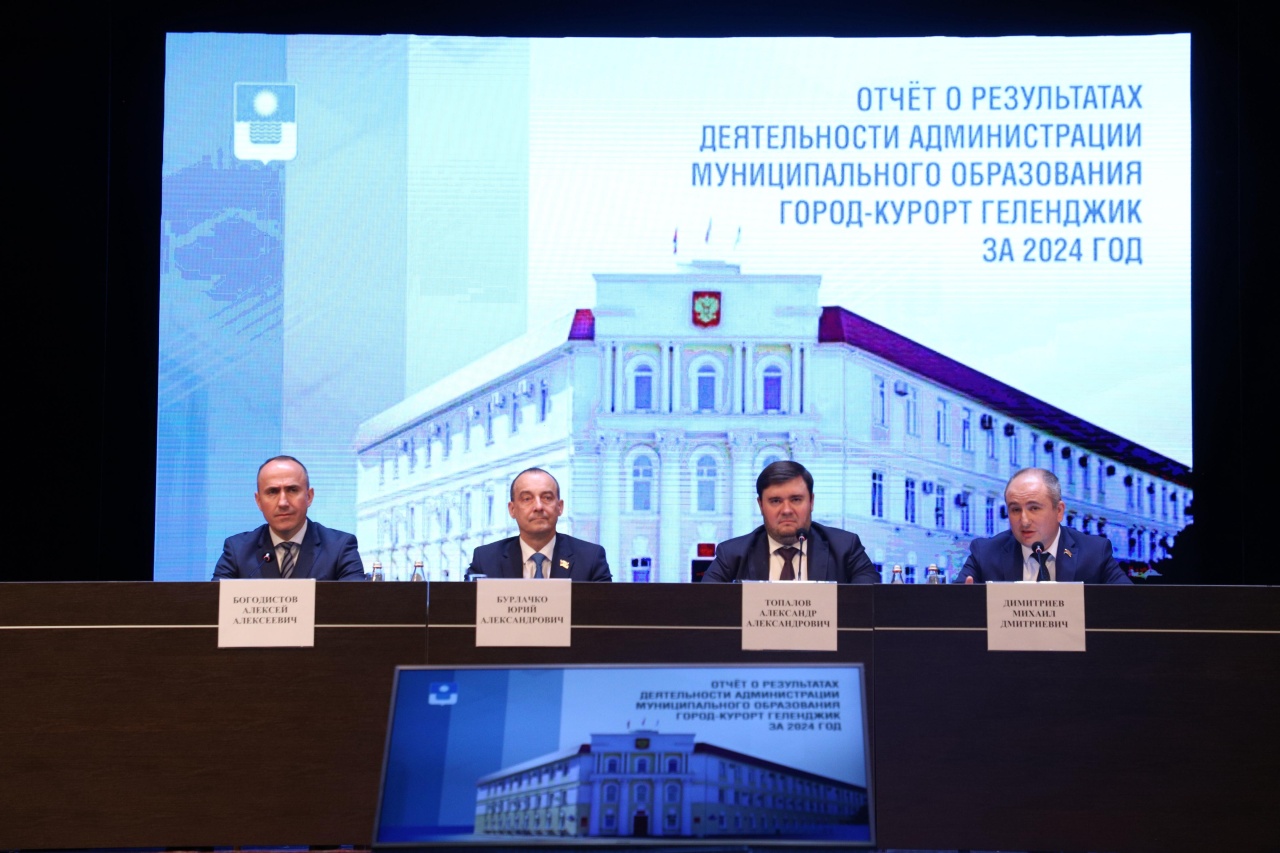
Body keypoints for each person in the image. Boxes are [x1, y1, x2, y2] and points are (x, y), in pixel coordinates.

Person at [702, 460, 879, 584]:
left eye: (796, 499)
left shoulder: (845, 548)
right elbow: (706, 606)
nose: (786, 510)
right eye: (775, 501)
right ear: (761, 505)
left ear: (811, 502)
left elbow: (869, 603)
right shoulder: (732, 554)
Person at [956, 467, 1131, 584]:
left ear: (1059, 511)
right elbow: (953, 606)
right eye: (1015, 510)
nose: (1024, 521)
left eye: (1034, 508)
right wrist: (964, 603)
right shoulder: (985, 553)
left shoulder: (1094, 553)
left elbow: (1131, 605)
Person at [212, 456, 366, 581]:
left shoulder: (340, 547)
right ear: (258, 501)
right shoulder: (238, 550)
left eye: (292, 490)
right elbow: (214, 603)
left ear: (309, 496)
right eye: (272, 492)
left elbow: (355, 604)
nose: (283, 503)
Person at [467, 468, 612, 581]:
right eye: (527, 499)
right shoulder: (485, 560)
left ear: (560, 507)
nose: (538, 507)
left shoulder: (590, 558)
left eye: (547, 498)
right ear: (512, 509)